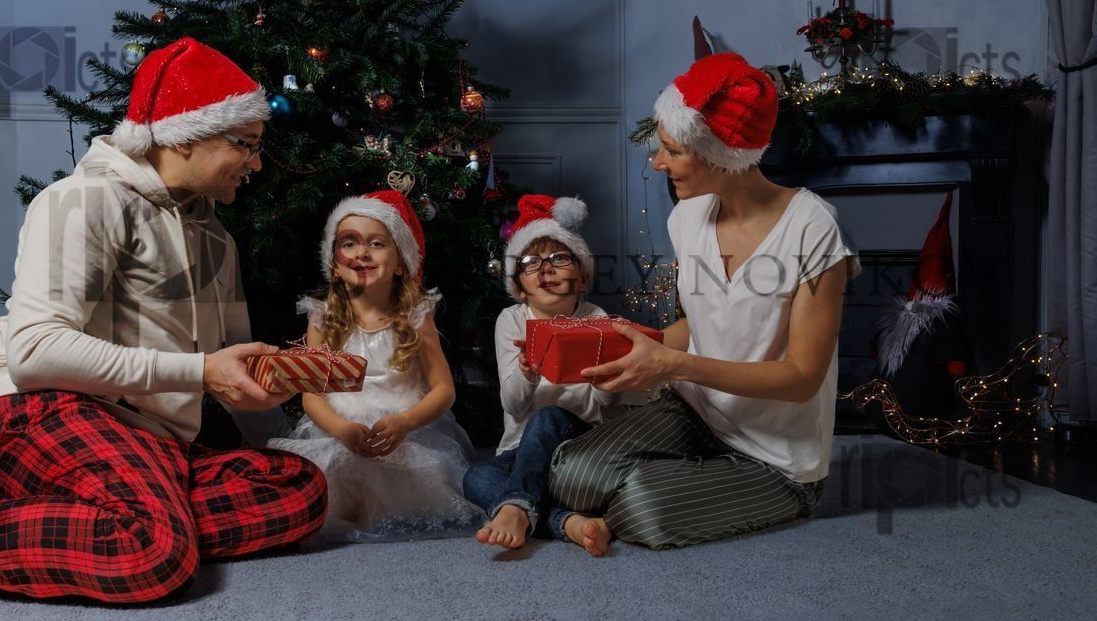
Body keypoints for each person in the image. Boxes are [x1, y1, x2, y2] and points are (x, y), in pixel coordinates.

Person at [0, 37, 327, 609]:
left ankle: (22, 544)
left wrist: (264, 395)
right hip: (34, 415)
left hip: (148, 447)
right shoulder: (82, 200)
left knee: (300, 488)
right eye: (246, 145)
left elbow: (230, 367)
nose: (255, 165)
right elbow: (35, 352)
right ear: (189, 134)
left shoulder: (218, 242)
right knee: (156, 554)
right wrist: (201, 372)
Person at [549, 52, 860, 556]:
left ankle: (686, 485)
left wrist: (674, 365)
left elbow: (803, 376)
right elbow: (704, 322)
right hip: (697, 413)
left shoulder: (813, 228)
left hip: (776, 461)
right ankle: (676, 479)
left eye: (671, 150)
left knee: (640, 508)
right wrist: (614, 349)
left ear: (719, 154)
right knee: (572, 474)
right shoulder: (688, 217)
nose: (656, 162)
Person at [268, 191, 482, 541]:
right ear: (334, 263)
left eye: (377, 244)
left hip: (404, 429)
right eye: (349, 243)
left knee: (421, 474)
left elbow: (444, 390)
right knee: (327, 474)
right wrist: (341, 429)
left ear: (400, 263)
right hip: (339, 428)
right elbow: (311, 396)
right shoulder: (323, 318)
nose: (361, 253)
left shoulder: (416, 316)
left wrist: (406, 421)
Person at [464, 194, 616, 550]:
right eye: (530, 262)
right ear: (519, 285)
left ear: (581, 277)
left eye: (559, 259)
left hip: (577, 448)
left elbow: (607, 402)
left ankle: (517, 506)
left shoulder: (596, 319)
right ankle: (567, 522)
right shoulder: (512, 321)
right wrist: (529, 373)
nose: (545, 269)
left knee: (546, 417)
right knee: (476, 477)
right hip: (518, 452)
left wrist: (602, 374)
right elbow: (514, 407)